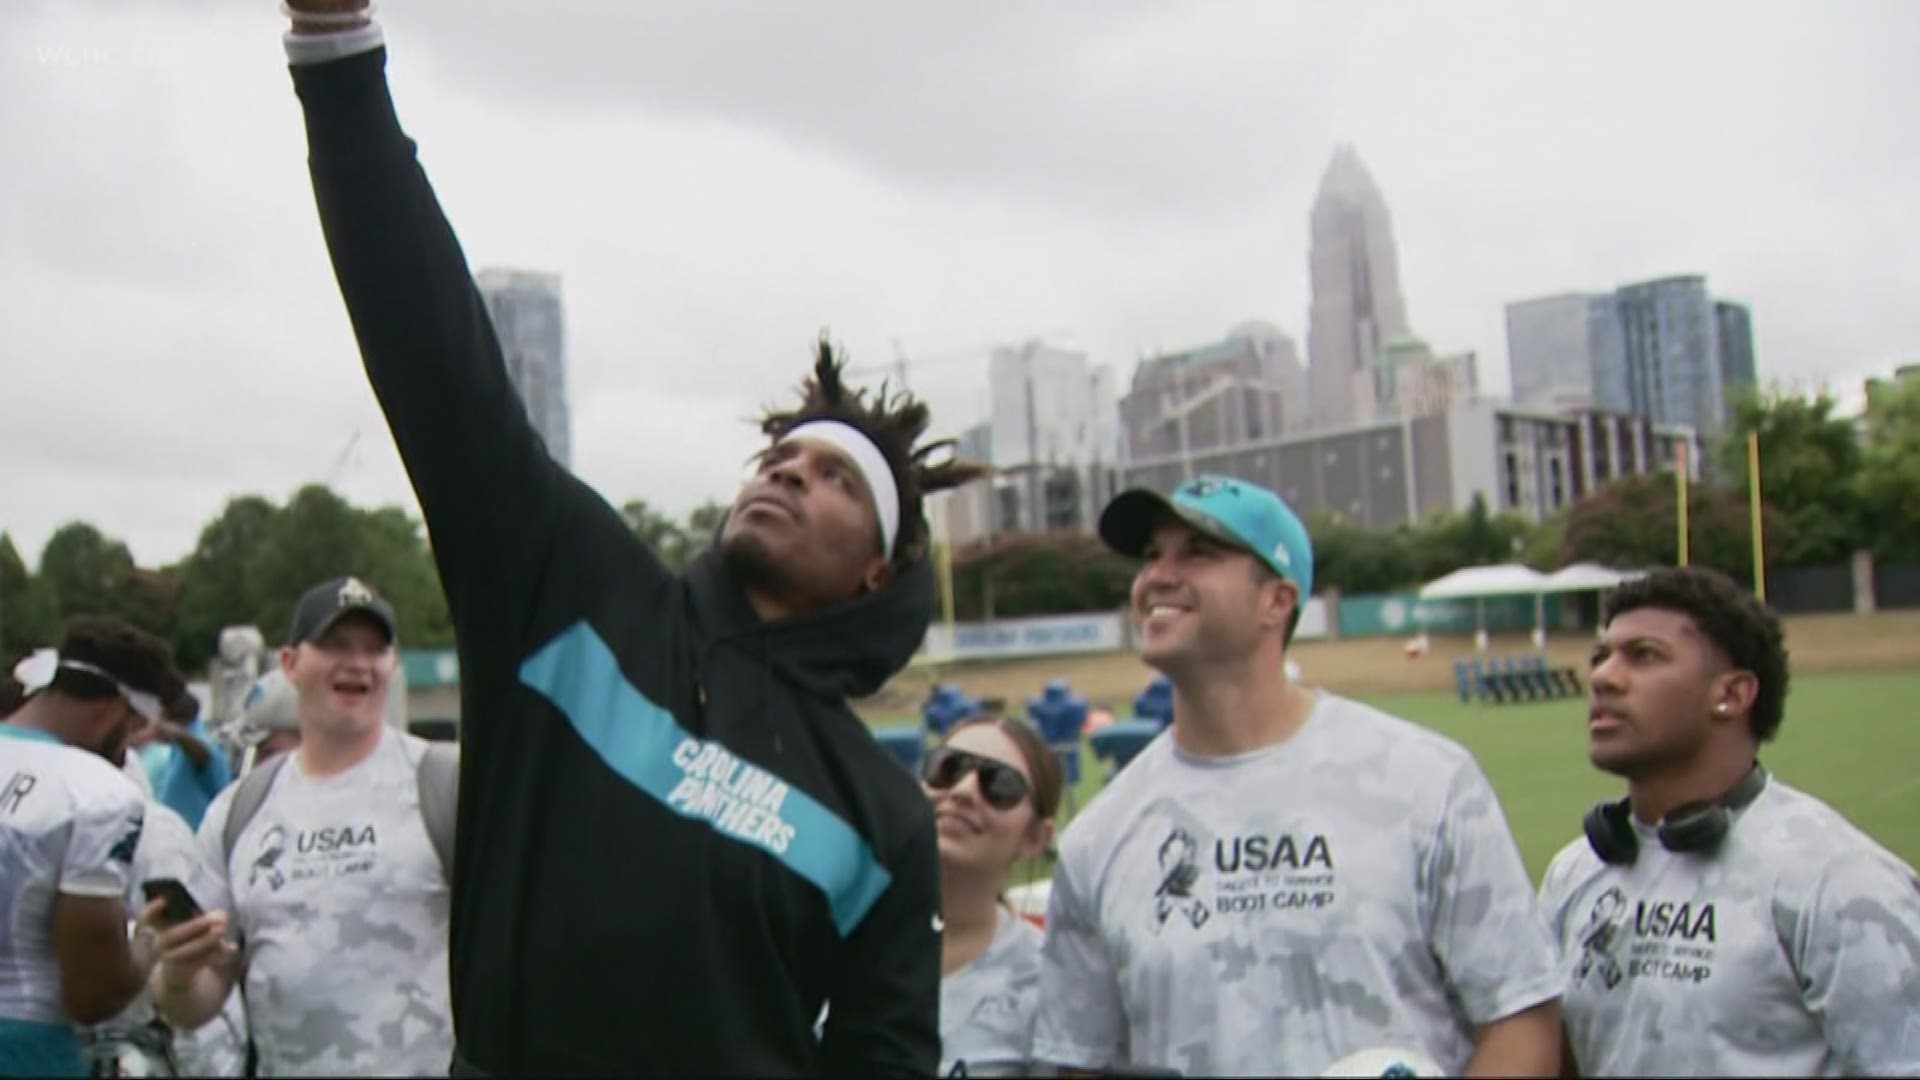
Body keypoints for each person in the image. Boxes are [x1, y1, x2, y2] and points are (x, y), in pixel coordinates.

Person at [273, 6, 984, 1075]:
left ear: (879, 570)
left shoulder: (881, 812)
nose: (790, 470)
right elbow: (435, 355)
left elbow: (886, 1056)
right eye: (783, 456)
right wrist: (337, 54)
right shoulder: (572, 590)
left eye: (837, 478)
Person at [1032, 475, 1563, 1078]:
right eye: (1152, 556)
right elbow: (1079, 1061)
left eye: (1198, 553)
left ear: (1276, 601)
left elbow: (1522, 1018)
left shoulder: (1426, 782)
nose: (1158, 576)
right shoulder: (1101, 835)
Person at [1539, 566, 1920, 1076]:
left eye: (1644, 655)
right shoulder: (1575, 872)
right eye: (1601, 656)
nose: (1604, 676)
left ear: (1732, 695)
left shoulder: (1839, 882)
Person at [149, 577, 457, 1077]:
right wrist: (179, 974)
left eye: (375, 648)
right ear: (290, 663)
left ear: (393, 665)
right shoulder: (240, 810)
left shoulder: (447, 784)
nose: (357, 663)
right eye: (335, 645)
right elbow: (194, 1003)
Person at [0, 616, 187, 1077]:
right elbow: (93, 994)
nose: (127, 754)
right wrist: (147, 947)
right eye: (132, 728)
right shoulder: (96, 791)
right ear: (112, 711)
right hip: (27, 1049)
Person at [924, 717, 1061, 1078]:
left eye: (1000, 785)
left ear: (1036, 838)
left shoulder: (1047, 984)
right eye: (948, 768)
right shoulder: (829, 932)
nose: (964, 790)